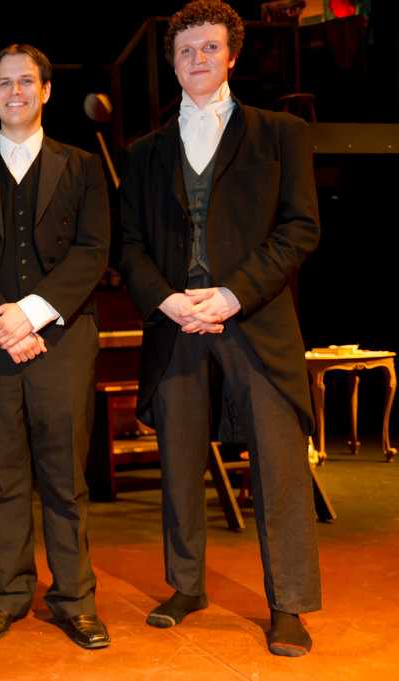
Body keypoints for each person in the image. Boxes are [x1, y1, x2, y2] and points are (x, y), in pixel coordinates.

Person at [118, 0, 322, 656]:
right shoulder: (144, 150)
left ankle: (288, 602)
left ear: (232, 54)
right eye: (185, 51)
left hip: (255, 320)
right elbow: (129, 245)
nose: (197, 60)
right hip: (177, 323)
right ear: (172, 62)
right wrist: (168, 300)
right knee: (179, 458)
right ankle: (186, 584)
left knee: (278, 463)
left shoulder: (278, 133)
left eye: (209, 48)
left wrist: (235, 293)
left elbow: (300, 227)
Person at [0, 44, 112, 649]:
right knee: (2, 475)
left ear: (46, 92)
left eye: (27, 82)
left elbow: (93, 251)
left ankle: (74, 599)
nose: (16, 92)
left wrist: (32, 315)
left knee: (65, 477)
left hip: (61, 339)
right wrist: (4, 325)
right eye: (4, 83)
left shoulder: (84, 167)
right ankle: (7, 595)